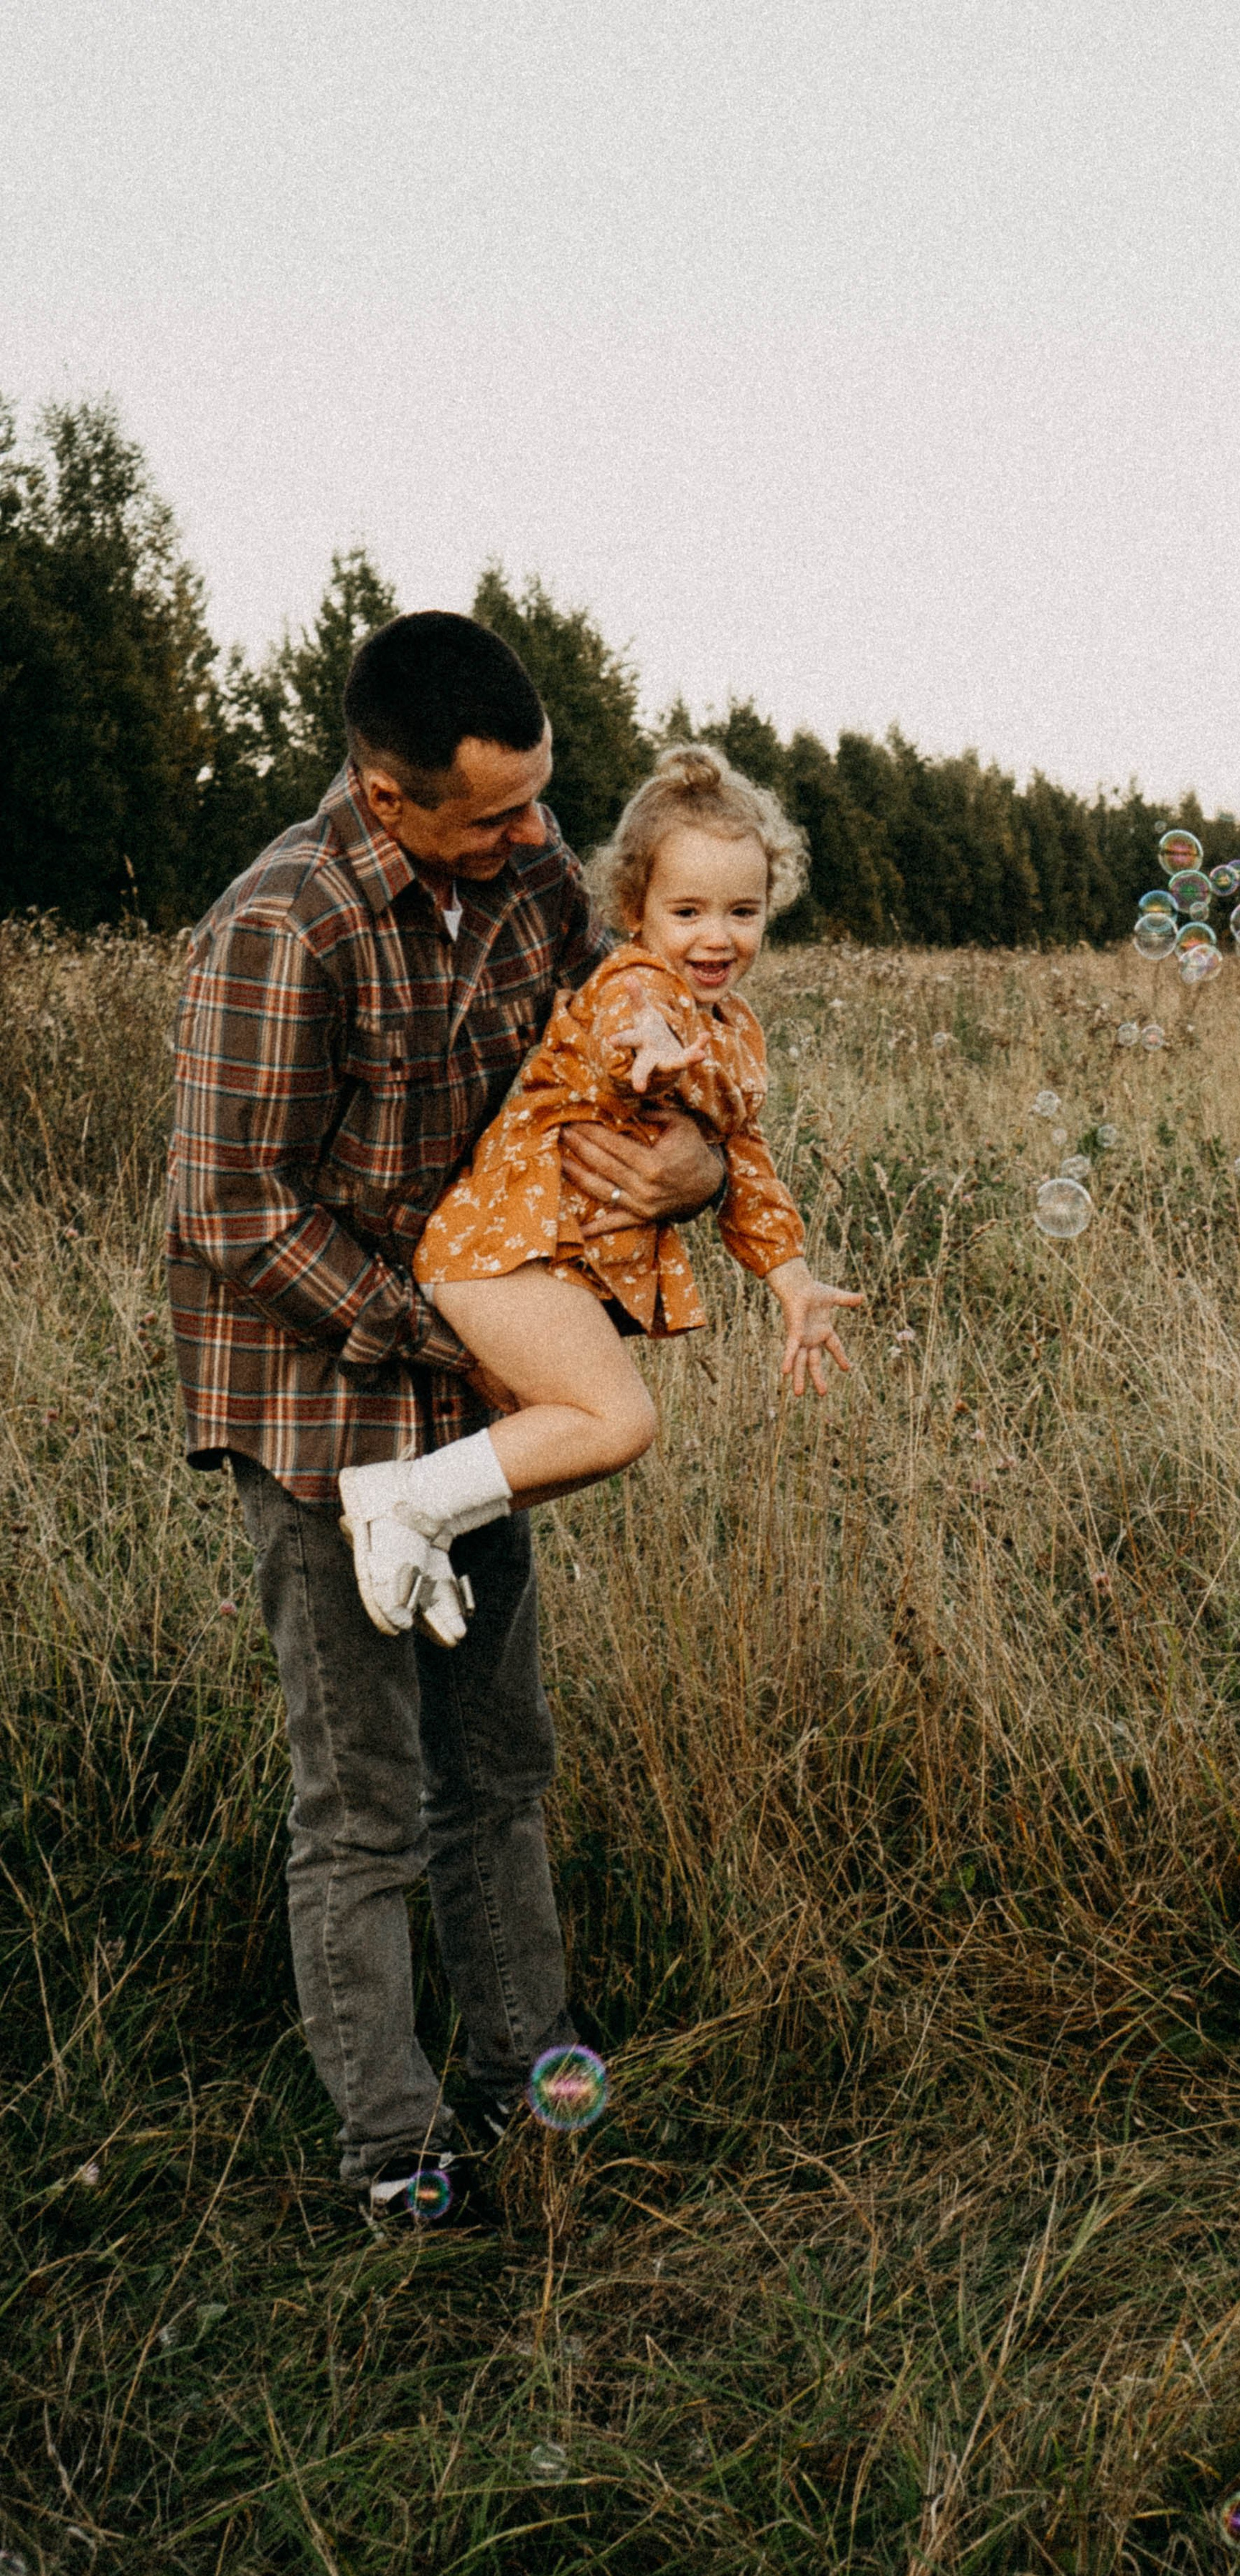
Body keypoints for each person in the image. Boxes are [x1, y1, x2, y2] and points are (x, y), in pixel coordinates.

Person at [166, 610, 726, 2227]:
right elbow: (231, 1208)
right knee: (363, 1798)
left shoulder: (541, 888)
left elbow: (643, 1067)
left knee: (499, 1754)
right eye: (493, 813)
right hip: (319, 1405)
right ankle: (395, 2149)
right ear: (387, 793)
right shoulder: (283, 927)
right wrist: (448, 1341)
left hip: (474, 1399)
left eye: (542, 797)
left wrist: (686, 1167)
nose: (538, 836)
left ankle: (526, 2061)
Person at [335, 745, 862, 1638]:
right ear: (635, 911)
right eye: (686, 910)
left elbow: (749, 1166)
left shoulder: (736, 1030)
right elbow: (629, 1024)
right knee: (616, 1420)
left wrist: (794, 1282)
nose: (715, 937)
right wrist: (650, 1053)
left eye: (742, 911)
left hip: (530, 1263)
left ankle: (423, 1522)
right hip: (494, 1253)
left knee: (584, 1436)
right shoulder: (634, 983)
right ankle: (398, 1500)